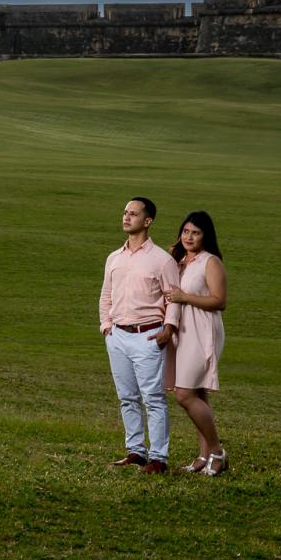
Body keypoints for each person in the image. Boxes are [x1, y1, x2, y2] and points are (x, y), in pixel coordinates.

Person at [99, 197, 182, 474]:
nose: (126, 217)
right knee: (126, 397)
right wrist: (106, 326)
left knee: (153, 398)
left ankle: (159, 457)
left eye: (133, 214)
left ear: (147, 221)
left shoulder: (162, 260)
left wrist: (167, 330)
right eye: (124, 212)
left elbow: (174, 299)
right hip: (118, 335)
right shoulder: (114, 257)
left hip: (148, 336)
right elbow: (106, 295)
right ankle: (136, 451)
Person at [163, 210, 229, 475]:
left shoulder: (210, 262)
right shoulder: (179, 260)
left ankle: (217, 451)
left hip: (202, 330)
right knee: (199, 394)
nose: (189, 237)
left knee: (184, 393)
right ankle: (204, 457)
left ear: (206, 236)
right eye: (186, 231)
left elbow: (219, 301)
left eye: (196, 233)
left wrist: (185, 297)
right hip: (183, 329)